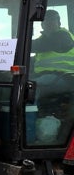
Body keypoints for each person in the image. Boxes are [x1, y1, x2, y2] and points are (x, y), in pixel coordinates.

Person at [31, 9, 74, 143]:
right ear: (42, 24)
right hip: (49, 77)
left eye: (52, 20)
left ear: (58, 22)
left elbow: (38, 46)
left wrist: (18, 44)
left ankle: (29, 134)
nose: (49, 23)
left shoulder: (63, 36)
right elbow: (35, 56)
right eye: (46, 21)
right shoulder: (43, 39)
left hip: (66, 78)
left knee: (31, 88)